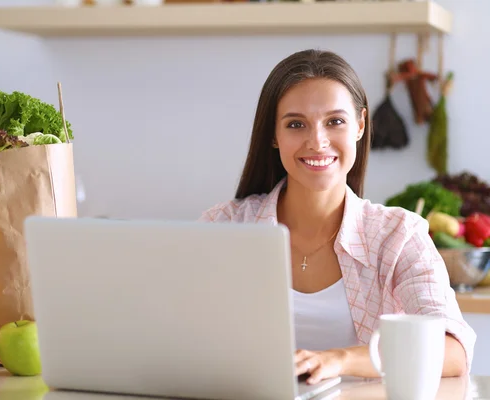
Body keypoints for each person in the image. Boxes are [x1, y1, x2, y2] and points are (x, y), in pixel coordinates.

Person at [199, 49, 475, 385]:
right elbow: (175, 333)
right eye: (296, 124)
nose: (317, 141)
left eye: (335, 121)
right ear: (274, 134)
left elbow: (453, 352)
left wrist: (340, 359)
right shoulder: (224, 227)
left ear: (360, 125)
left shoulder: (398, 235)